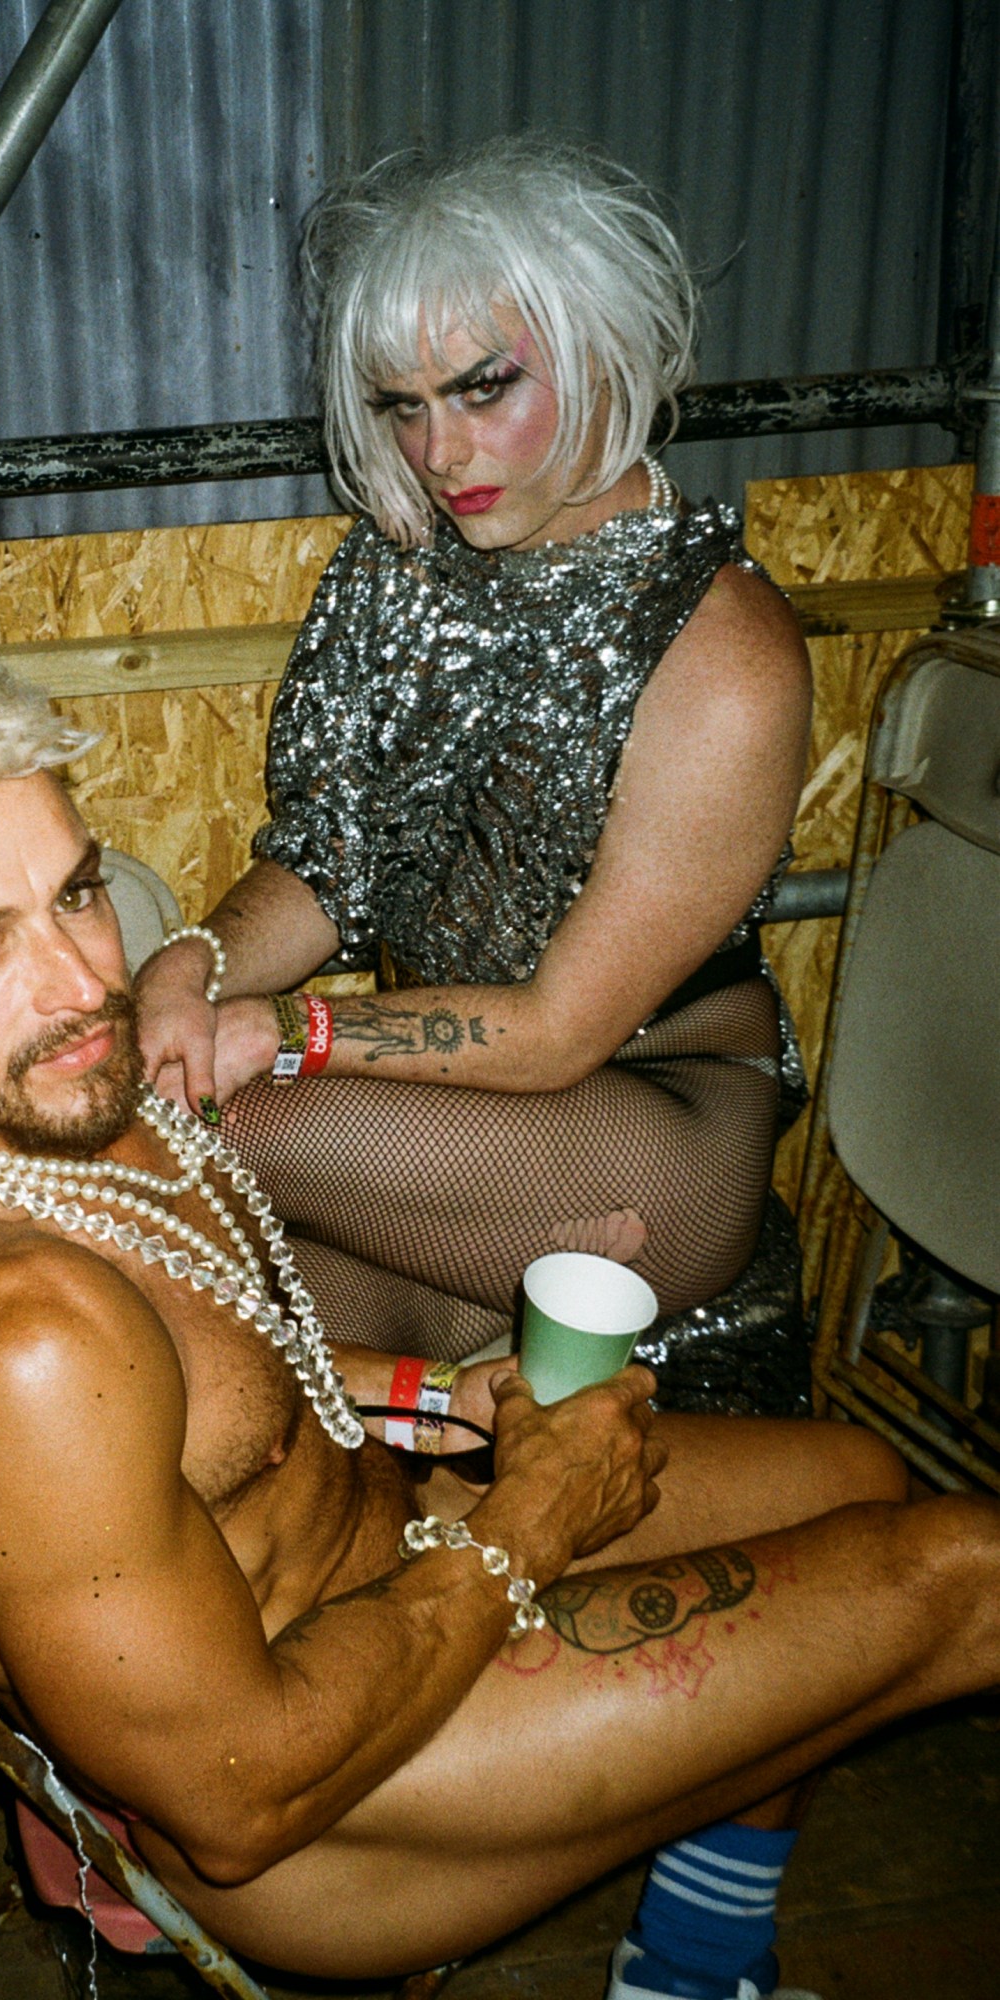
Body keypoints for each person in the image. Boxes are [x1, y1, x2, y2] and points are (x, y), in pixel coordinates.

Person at [0, 648, 1000, 2000]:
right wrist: (536, 1517)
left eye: (77, 894)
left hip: (387, 1556)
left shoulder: (11, 1097)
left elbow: (207, 1377)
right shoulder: (9, 1346)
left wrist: (438, 1394)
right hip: (317, 1794)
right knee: (964, 1572)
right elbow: (239, 1799)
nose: (77, 989)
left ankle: (691, 1966)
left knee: (853, 1482)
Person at [134, 137, 814, 1407]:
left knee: (193, 1107)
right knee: (217, 1373)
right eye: (404, 405)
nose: (442, 453)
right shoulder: (394, 566)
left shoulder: (721, 650)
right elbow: (330, 861)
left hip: (657, 1114)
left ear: (605, 346)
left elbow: (559, 1029)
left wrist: (269, 1032)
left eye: (482, 388)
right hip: (446, 1128)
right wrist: (190, 967)